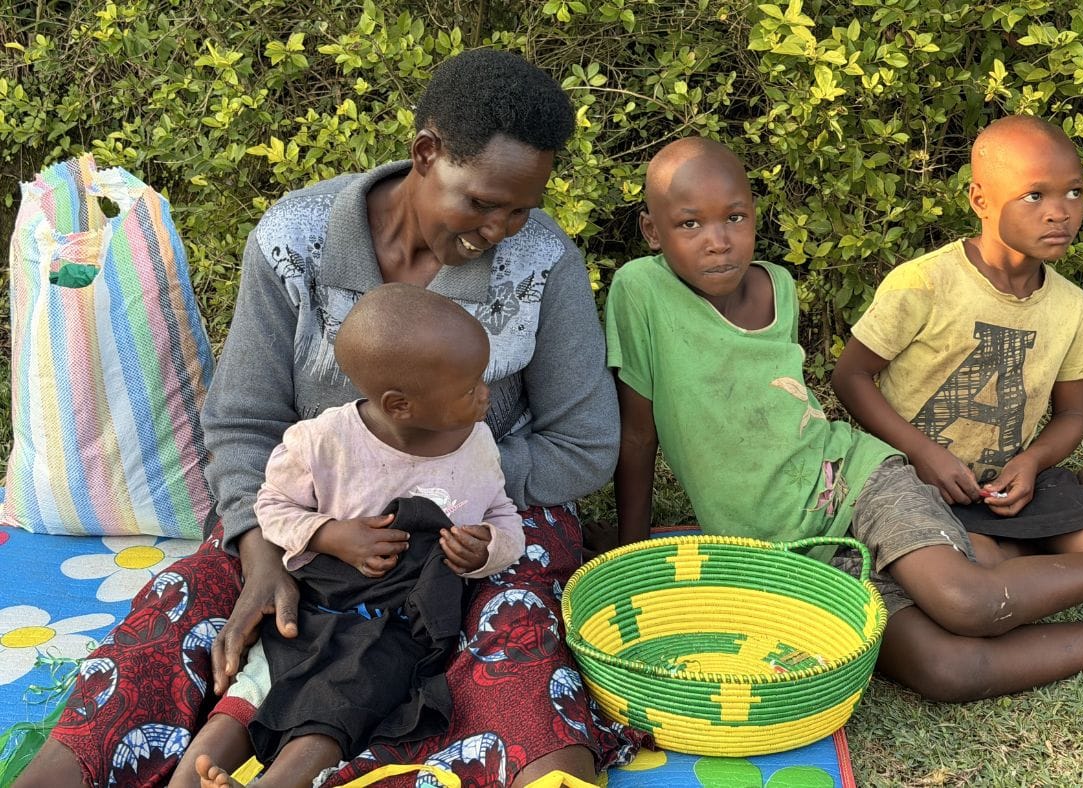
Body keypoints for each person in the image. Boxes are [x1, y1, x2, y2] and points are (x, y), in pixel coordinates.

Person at [18, 49, 648, 788]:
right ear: (425, 154)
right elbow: (243, 420)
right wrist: (260, 553)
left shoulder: (542, 263)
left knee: (514, 631)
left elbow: (582, 446)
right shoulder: (296, 239)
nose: (503, 226)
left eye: (522, 206)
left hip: (482, 515)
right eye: (481, 202)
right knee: (185, 607)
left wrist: (431, 486)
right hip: (309, 511)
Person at [606, 135, 1083, 706]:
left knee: (968, 602)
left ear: (756, 214)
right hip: (794, 549)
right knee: (948, 672)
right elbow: (639, 434)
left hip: (856, 480)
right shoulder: (639, 292)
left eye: (734, 218)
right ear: (650, 230)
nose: (718, 241)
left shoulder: (778, 286)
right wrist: (629, 556)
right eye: (689, 224)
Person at [189, 284, 526, 788]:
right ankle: (192, 776)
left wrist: (487, 547)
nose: (487, 394)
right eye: (469, 388)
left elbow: (503, 513)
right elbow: (271, 507)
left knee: (345, 697)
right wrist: (328, 535)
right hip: (314, 605)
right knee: (258, 681)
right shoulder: (323, 443)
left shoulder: (476, 444)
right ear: (401, 404)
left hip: (397, 627)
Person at [830, 114, 1083, 558]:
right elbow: (850, 376)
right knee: (984, 567)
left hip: (1013, 482)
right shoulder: (925, 282)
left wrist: (1030, 462)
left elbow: (1071, 415)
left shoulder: (1071, 306)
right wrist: (921, 452)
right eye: (1034, 195)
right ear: (980, 200)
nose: (1059, 212)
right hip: (916, 478)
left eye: (1075, 192)